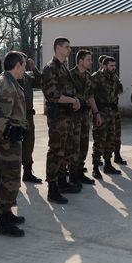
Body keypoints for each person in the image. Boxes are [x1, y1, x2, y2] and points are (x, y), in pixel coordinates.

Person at [0, 51, 28, 237]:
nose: (25, 69)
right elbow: (1, 118)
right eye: (24, 65)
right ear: (17, 65)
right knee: (10, 179)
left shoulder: (9, 81)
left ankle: (7, 212)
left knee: (11, 178)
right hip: (7, 140)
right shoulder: (6, 85)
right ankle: (3, 221)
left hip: (11, 137)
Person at [41, 37, 81, 204]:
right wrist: (73, 101)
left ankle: (62, 182)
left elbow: (69, 90)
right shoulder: (51, 68)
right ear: (58, 48)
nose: (69, 50)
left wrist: (75, 100)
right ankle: (52, 188)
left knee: (65, 150)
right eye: (67, 47)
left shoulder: (63, 67)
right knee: (56, 151)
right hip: (58, 117)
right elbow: (53, 95)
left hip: (67, 115)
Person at [69, 49, 102, 184]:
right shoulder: (70, 75)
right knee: (74, 146)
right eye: (88, 59)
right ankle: (72, 175)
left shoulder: (89, 77)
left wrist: (96, 113)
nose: (91, 62)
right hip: (73, 117)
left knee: (83, 145)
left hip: (85, 116)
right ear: (80, 61)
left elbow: (90, 96)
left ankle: (79, 171)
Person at [19, 54, 43, 184]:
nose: (25, 65)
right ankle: (12, 177)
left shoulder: (26, 77)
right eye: (23, 62)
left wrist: (34, 69)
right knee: (14, 147)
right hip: (16, 117)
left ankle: (27, 172)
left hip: (28, 116)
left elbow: (40, 83)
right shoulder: (9, 79)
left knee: (29, 144)